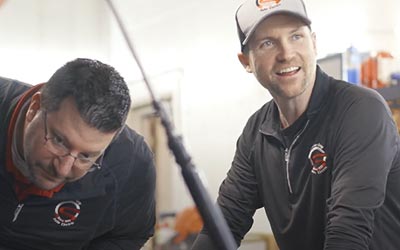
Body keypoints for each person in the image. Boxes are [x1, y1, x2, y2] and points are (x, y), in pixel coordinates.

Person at [191, 0, 400, 249]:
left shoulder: (360, 110)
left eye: (296, 37)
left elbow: (348, 232)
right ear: (246, 61)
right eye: (267, 43)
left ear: (314, 43)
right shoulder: (256, 132)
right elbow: (224, 223)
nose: (286, 53)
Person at [0, 58, 156, 250]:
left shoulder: (130, 163)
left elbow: (129, 234)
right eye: (59, 141)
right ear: (34, 109)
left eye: (86, 156)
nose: (63, 169)